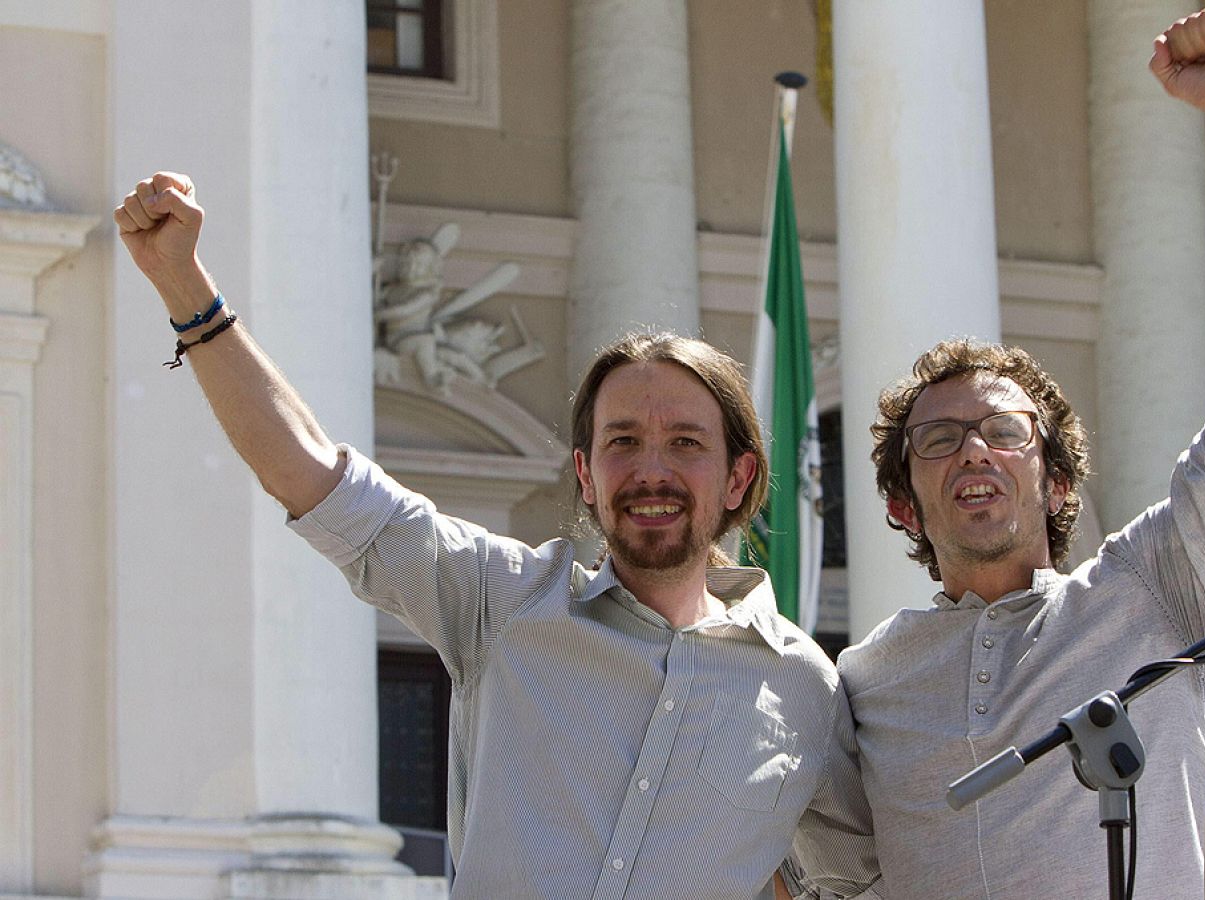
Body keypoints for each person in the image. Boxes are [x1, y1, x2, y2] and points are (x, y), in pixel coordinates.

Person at [113, 174, 877, 899]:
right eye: (622, 442)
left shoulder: (805, 688)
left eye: (685, 443)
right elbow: (313, 475)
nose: (651, 471)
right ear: (584, 474)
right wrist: (186, 287)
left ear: (739, 479)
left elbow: (865, 879)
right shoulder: (499, 601)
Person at [836, 10, 1205, 900]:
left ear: (1058, 478)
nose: (974, 453)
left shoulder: (1158, 591)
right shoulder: (862, 680)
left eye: (1004, 432)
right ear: (902, 506)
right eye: (939, 441)